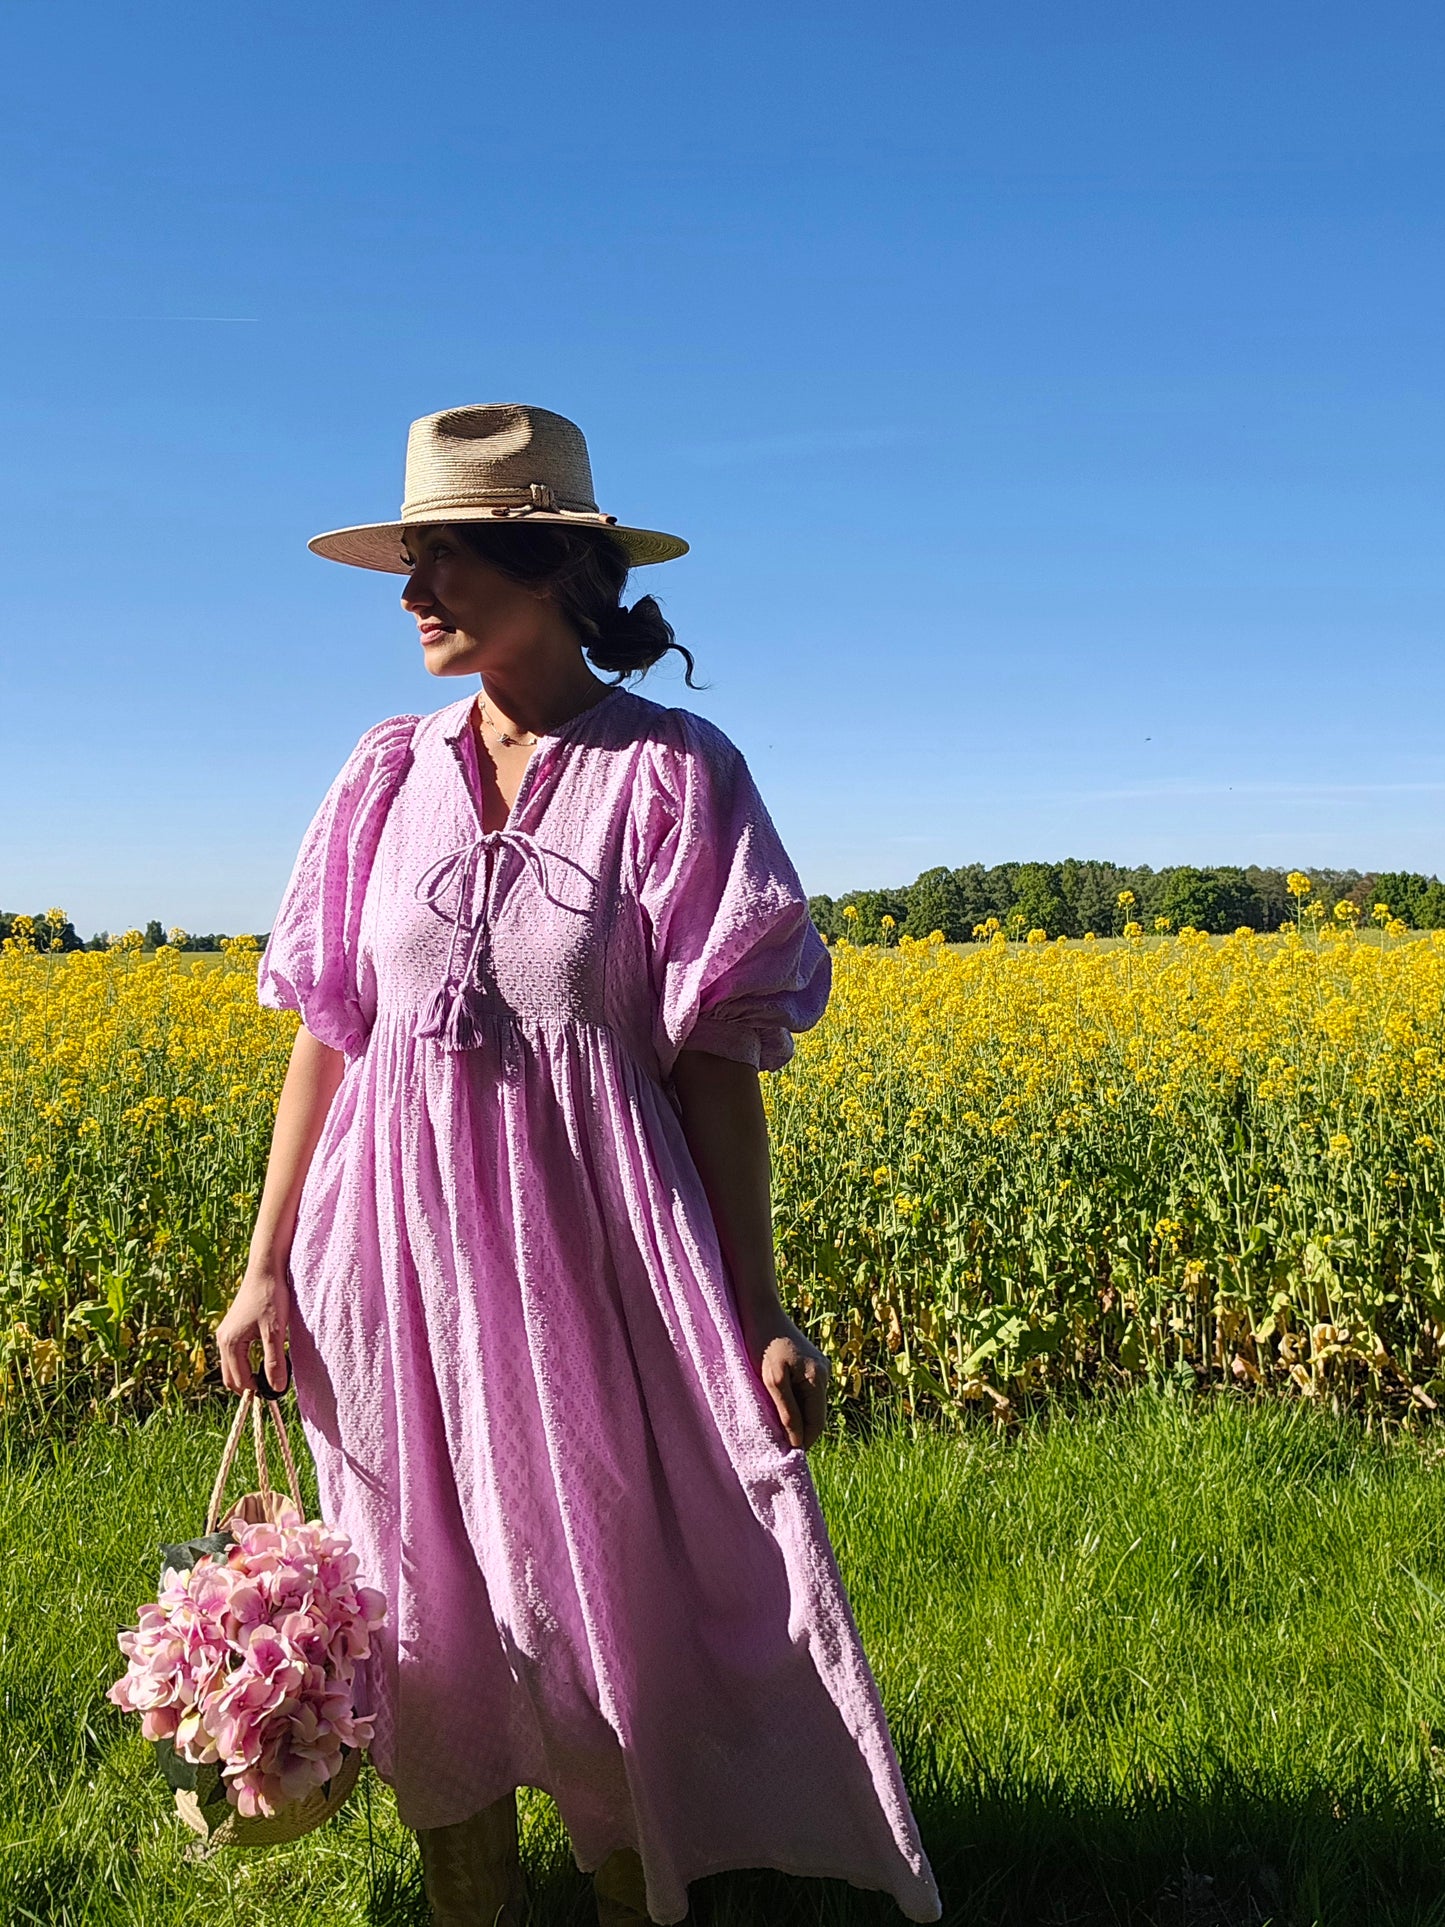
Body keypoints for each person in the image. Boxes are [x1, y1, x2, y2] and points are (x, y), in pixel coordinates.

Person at [216, 404, 941, 1926]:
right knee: (420, 1598)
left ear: (543, 562)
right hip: (389, 1261)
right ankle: (464, 1901)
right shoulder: (379, 775)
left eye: (442, 561)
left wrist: (760, 1303)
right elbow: (331, 1030)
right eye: (405, 564)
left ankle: (636, 1886)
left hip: (595, 1260)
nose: (411, 593)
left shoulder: (673, 776)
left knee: (604, 1593)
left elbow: (714, 1062)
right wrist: (268, 1259)